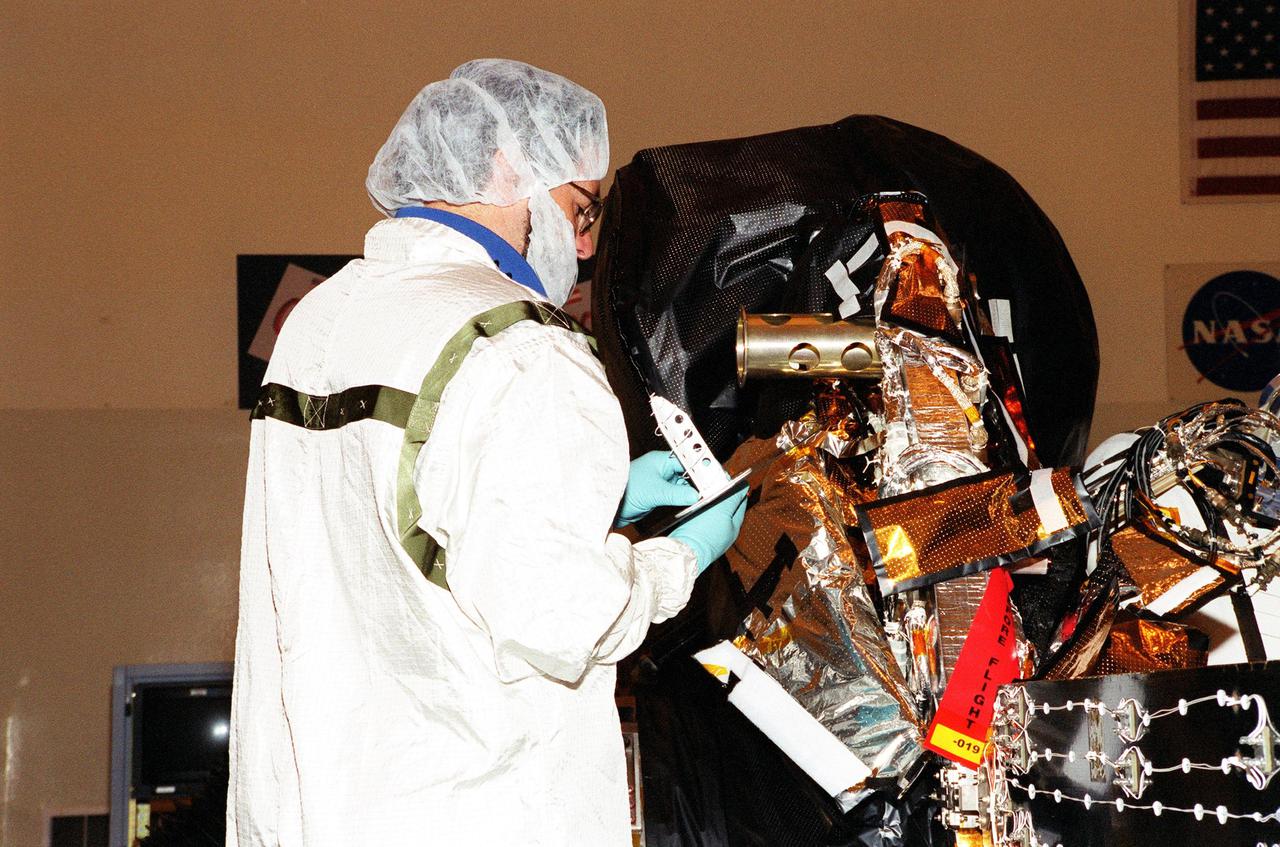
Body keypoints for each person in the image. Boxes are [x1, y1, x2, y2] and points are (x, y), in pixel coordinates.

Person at [227, 58, 747, 846]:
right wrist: (678, 556)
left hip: (318, 808)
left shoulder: (320, 321)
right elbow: (566, 618)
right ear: (509, 166)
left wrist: (596, 500)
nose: (582, 245)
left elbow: (400, 528)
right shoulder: (524, 347)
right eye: (581, 209)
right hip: (480, 805)